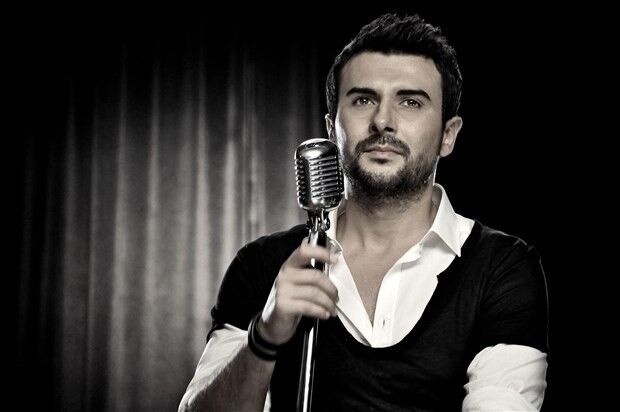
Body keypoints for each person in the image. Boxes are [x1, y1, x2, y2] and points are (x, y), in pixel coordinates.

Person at [178, 12, 548, 412]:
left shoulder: (501, 268)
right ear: (331, 128)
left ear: (448, 135)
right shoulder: (261, 266)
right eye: (363, 100)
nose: (382, 121)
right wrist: (263, 338)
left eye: (410, 102)